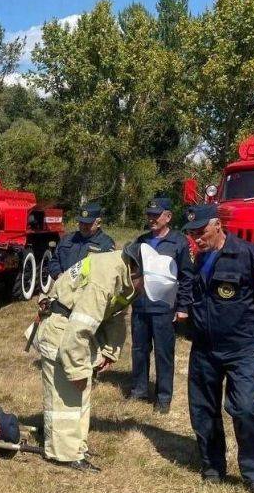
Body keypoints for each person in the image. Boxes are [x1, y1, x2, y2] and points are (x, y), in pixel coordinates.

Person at [181, 204, 254, 493]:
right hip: (204, 348)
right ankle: (212, 466)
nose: (196, 238)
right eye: (191, 232)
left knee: (244, 407)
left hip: (242, 347)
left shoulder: (249, 255)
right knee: (203, 409)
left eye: (200, 231)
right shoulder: (195, 257)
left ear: (217, 226)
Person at [35, 244, 168, 471]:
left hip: (72, 331)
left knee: (79, 394)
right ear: (138, 271)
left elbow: (116, 314)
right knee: (66, 398)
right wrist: (76, 370)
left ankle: (75, 447)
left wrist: (109, 351)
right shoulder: (104, 279)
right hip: (62, 331)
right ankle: (63, 454)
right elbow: (79, 328)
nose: (143, 293)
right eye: (145, 287)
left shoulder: (124, 274)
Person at [130, 197, 195, 413]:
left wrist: (183, 306)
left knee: (163, 352)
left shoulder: (179, 242)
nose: (151, 219)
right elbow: (132, 273)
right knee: (139, 350)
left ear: (168, 217)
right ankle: (139, 390)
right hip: (140, 306)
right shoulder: (140, 241)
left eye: (156, 215)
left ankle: (163, 397)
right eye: (149, 215)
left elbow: (186, 277)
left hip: (164, 308)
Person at [47, 209, 116, 279]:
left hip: (90, 288)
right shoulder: (67, 239)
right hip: (65, 286)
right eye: (81, 222)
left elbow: (108, 272)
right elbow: (54, 261)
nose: (83, 227)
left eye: (88, 224)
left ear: (98, 223)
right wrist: (58, 275)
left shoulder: (106, 244)